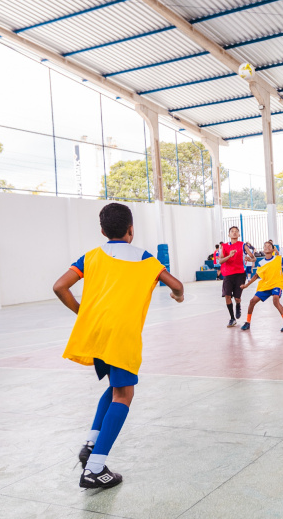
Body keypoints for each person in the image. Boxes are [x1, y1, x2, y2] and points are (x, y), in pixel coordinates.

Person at [54, 203, 184, 489]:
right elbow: (175, 283)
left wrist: (83, 312)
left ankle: (90, 443)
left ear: (102, 231)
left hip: (98, 331)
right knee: (124, 395)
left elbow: (59, 286)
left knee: (114, 388)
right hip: (122, 335)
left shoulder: (91, 256)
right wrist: (179, 295)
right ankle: (95, 468)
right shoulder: (145, 258)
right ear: (131, 230)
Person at [240, 241, 283, 332]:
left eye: (269, 246)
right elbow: (256, 275)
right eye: (265, 246)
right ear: (263, 250)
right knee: (252, 301)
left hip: (277, 283)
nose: (266, 247)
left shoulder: (278, 258)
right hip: (266, 285)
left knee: (275, 300)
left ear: (273, 249)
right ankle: (247, 322)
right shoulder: (261, 262)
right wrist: (246, 285)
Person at [218, 226, 249, 328]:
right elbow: (221, 261)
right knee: (227, 296)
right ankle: (232, 318)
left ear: (239, 234)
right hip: (227, 274)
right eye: (232, 231)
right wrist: (229, 256)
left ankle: (238, 305)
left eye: (236, 231)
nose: (234, 233)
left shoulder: (242, 245)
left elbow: (253, 257)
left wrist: (251, 258)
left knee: (237, 297)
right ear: (229, 234)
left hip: (240, 273)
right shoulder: (224, 246)